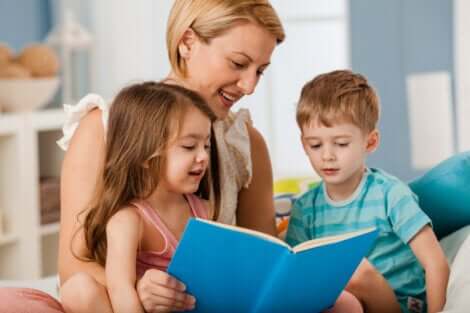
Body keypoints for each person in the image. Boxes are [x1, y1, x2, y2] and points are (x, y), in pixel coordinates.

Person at [58, 1, 285, 312]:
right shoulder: (103, 128)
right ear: (187, 42)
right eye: (237, 63)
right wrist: (139, 287)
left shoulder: (245, 143)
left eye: (260, 71)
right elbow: (72, 270)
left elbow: (264, 260)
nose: (249, 86)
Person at [285, 70, 450, 313]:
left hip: (399, 305)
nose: (327, 155)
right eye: (315, 145)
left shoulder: (390, 194)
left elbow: (436, 264)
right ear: (304, 145)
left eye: (341, 144)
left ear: (370, 142)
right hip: (343, 302)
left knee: (354, 269)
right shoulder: (305, 208)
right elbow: (295, 273)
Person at [60, 82, 215, 313]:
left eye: (207, 146)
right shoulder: (128, 220)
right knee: (79, 289)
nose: (203, 156)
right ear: (144, 155)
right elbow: (121, 292)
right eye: (189, 146)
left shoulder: (204, 209)